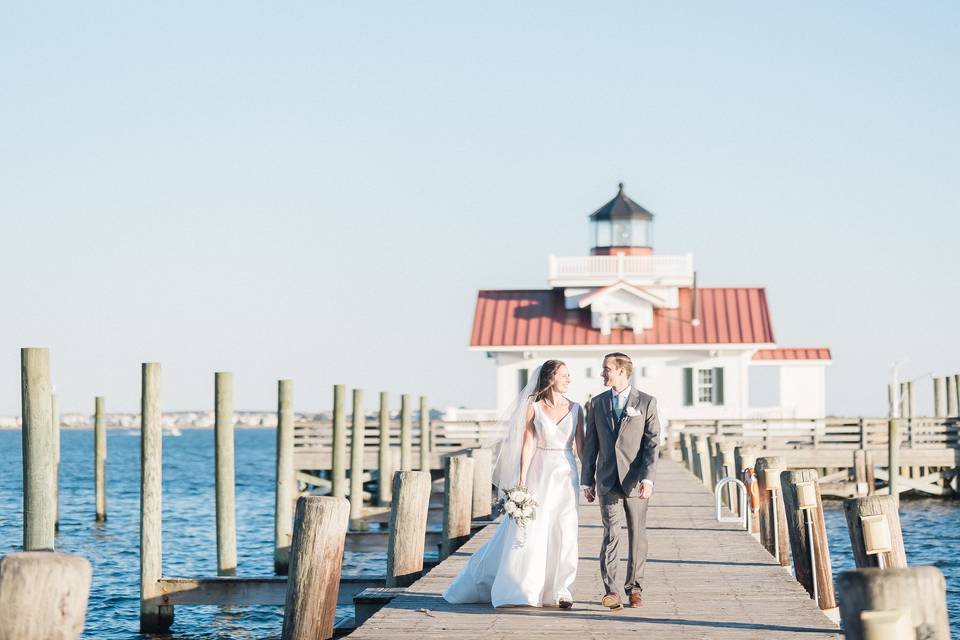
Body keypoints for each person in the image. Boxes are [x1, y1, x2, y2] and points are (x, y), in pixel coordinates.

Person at [442, 360, 583, 608]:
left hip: (567, 473)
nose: (569, 379)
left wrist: (590, 479)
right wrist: (521, 479)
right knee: (533, 529)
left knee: (565, 529)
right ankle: (523, 588)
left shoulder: (576, 409)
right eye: (565, 375)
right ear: (551, 378)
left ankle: (561, 591)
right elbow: (528, 444)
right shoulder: (534, 407)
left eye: (569, 375)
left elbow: (581, 447)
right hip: (540, 472)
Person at [581, 352, 661, 610]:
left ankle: (634, 588)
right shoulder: (597, 403)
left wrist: (648, 479)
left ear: (622, 372)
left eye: (607, 369)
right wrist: (587, 481)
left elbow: (652, 444)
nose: (603, 374)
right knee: (611, 534)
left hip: (635, 481)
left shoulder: (646, 402)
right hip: (606, 480)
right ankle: (612, 591)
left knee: (637, 535)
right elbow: (590, 444)